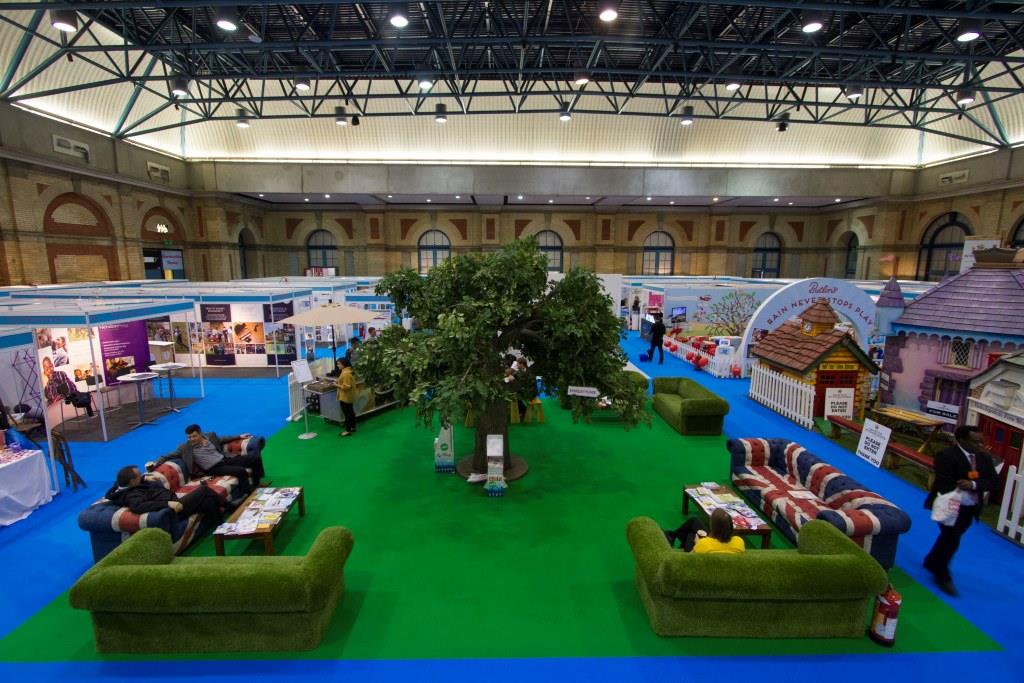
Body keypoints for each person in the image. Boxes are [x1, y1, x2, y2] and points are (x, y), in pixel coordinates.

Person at [923, 425, 998, 596]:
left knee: (950, 537)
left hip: (970, 509)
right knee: (952, 539)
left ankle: (931, 560)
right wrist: (963, 486)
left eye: (981, 441)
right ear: (962, 440)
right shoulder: (946, 455)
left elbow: (994, 483)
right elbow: (944, 483)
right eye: (975, 441)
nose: (979, 445)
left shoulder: (984, 458)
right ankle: (942, 574)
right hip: (949, 507)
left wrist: (973, 485)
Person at [155, 424, 265, 496]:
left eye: (194, 436)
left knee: (254, 458)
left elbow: (223, 439)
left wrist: (239, 436)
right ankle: (248, 493)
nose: (191, 439)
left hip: (225, 460)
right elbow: (167, 456)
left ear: (200, 433)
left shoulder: (210, 436)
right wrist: (155, 463)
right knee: (240, 471)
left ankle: (257, 482)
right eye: (189, 437)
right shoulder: (185, 447)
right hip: (213, 469)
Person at [105, 465, 223, 519]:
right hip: (172, 510)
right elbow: (139, 506)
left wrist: (144, 478)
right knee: (203, 490)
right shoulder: (131, 495)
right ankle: (230, 507)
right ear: (132, 481)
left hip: (174, 501)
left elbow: (132, 484)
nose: (141, 475)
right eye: (139, 475)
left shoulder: (124, 485)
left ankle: (221, 527)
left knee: (208, 501)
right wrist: (167, 504)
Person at [664, 508, 745, 554]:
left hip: (703, 550)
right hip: (714, 543)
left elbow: (688, 559)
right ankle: (673, 535)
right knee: (694, 521)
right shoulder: (739, 542)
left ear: (713, 527)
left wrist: (697, 543)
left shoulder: (703, 544)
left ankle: (671, 536)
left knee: (691, 534)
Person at [336, 358, 357, 437]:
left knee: (347, 413)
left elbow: (346, 387)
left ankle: (347, 430)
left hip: (345, 396)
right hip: (349, 395)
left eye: (339, 364)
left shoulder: (345, 373)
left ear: (344, 364)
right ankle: (352, 427)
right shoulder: (348, 371)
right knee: (350, 411)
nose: (337, 365)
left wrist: (336, 385)